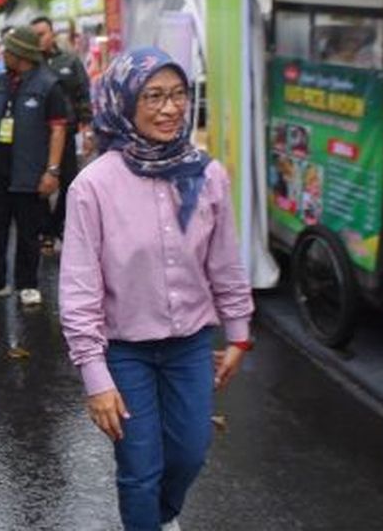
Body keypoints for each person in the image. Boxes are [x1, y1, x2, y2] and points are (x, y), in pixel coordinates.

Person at [59, 47, 255, 531]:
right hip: (124, 350)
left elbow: (225, 261)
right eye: (153, 97)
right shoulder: (93, 186)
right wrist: (95, 377)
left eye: (178, 95)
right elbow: (80, 289)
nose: (170, 109)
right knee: (140, 469)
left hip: (189, 346)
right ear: (124, 103)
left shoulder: (207, 175)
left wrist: (238, 333)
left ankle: (161, 518)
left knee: (190, 453)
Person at [0, 26, 67, 306]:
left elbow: (58, 130)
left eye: (7, 50)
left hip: (30, 173)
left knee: (28, 233)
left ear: (21, 54)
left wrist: (52, 171)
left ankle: (27, 284)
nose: (2, 54)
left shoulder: (49, 85)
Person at [31, 15, 92, 251]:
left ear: (52, 34)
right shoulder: (31, 64)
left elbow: (83, 94)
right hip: (38, 135)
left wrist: (87, 129)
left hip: (67, 132)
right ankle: (46, 229)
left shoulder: (69, 61)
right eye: (34, 35)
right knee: (41, 184)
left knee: (71, 183)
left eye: (42, 34)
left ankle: (56, 224)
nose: (39, 40)